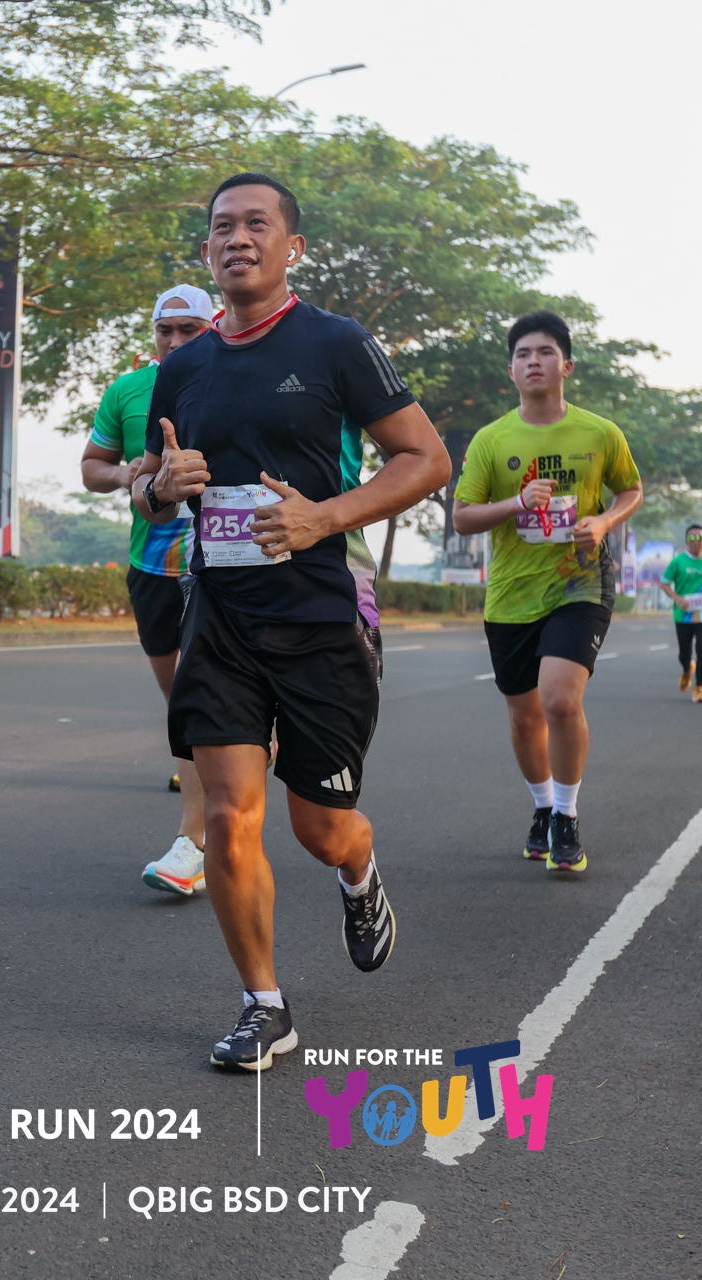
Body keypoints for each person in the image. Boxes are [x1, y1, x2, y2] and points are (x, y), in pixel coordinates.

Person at [130, 172, 450, 1071]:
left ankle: (359, 868)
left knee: (320, 826)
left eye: (256, 224)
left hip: (319, 613)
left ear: (292, 247)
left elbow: (426, 460)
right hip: (220, 614)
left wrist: (323, 518)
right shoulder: (181, 368)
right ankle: (264, 1006)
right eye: (222, 227)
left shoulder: (336, 343)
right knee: (229, 813)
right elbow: (149, 486)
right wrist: (160, 487)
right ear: (207, 250)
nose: (238, 238)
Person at [452, 310, 643, 873]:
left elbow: (630, 490)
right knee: (524, 717)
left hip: (579, 581)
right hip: (512, 592)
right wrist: (517, 503)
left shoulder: (600, 433)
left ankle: (566, 815)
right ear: (511, 370)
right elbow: (462, 517)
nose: (533, 362)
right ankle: (541, 807)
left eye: (544, 352)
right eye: (522, 354)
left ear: (567, 366)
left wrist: (603, 522)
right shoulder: (492, 440)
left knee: (559, 699)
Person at [81, 285, 215, 896]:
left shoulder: (234, 380)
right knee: (180, 698)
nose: (176, 341)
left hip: (220, 565)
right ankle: (220, 776)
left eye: (190, 330)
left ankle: (195, 842)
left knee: (196, 694)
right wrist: (126, 473)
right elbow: (93, 466)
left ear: (213, 326)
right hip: (153, 564)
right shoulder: (128, 391)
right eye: (167, 330)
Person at [660, 525, 702, 705]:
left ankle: (699, 688)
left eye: (699, 538)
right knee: (684, 653)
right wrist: (677, 598)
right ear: (686, 541)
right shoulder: (678, 561)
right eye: (691, 538)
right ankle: (687, 668)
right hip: (683, 614)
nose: (695, 542)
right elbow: (664, 583)